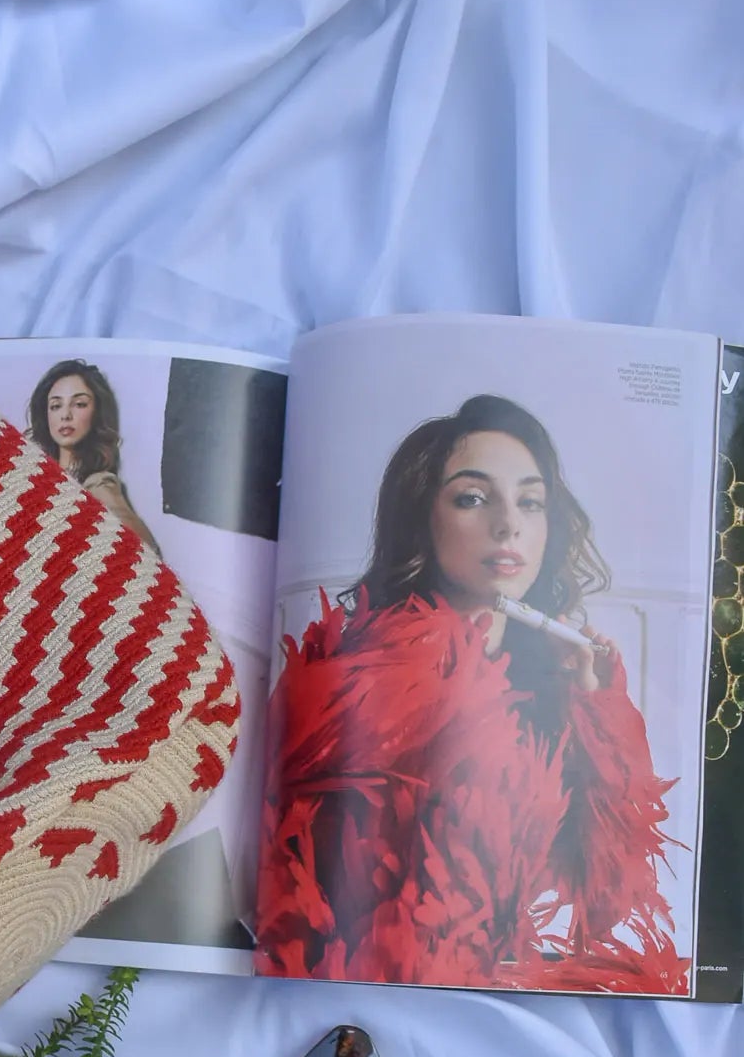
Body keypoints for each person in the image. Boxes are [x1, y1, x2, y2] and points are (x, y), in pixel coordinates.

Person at [256, 394, 686, 994]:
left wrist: (597, 714)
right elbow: (289, 902)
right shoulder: (346, 679)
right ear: (421, 520)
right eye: (473, 498)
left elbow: (613, 900)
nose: (509, 524)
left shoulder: (560, 688)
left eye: (530, 502)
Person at [26, 360, 158, 548]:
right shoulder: (36, 476)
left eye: (79, 404)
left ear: (97, 412)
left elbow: (144, 550)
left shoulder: (98, 484)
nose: (65, 415)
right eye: (56, 406)